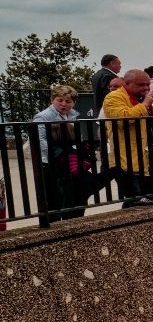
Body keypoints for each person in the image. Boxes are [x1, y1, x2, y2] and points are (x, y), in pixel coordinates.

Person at [32, 84, 97, 222]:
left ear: (73, 103)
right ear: (52, 100)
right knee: (53, 200)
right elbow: (40, 140)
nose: (63, 104)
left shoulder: (71, 115)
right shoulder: (43, 116)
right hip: (50, 162)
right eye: (59, 100)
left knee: (70, 198)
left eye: (68, 101)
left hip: (67, 163)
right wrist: (61, 156)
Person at [100, 68, 153, 205]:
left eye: (147, 84)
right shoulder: (113, 97)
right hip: (125, 159)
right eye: (141, 85)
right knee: (134, 201)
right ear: (127, 84)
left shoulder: (141, 98)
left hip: (145, 157)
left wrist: (151, 108)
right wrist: (145, 105)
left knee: (149, 199)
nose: (146, 88)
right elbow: (123, 118)